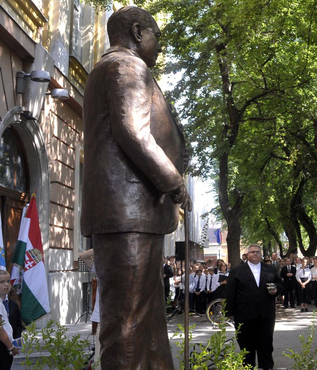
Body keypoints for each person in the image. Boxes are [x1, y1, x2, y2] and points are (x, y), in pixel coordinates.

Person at [81, 6, 190, 368]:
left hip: (135, 214)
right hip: (129, 212)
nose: (159, 46)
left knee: (147, 323)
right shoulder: (126, 66)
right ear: (139, 31)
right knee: (128, 323)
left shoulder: (111, 67)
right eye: (158, 36)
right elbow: (134, 132)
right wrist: (174, 182)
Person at [226, 245, 282, 370]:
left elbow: (280, 284)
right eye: (252, 252)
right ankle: (248, 367)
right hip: (244, 314)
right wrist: (229, 312)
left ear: (261, 254)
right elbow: (230, 292)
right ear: (247, 255)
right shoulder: (237, 270)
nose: (255, 254)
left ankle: (267, 367)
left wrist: (276, 290)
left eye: (257, 252)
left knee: (266, 344)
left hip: (266, 313)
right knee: (246, 346)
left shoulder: (270, 269)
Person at [0, 270, 21, 370]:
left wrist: (15, 343)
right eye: (2, 282)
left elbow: (17, 325)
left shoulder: (13, 305)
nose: (6, 285)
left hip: (9, 347)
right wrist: (10, 347)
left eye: (8, 281)